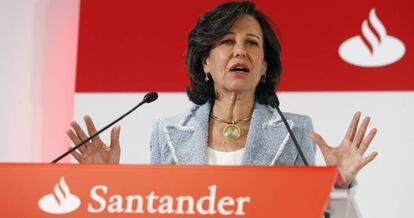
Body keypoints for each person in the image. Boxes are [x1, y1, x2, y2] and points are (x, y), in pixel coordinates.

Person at [67, 1, 377, 188]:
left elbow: (314, 212)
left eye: (252, 43)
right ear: (206, 61)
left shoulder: (294, 130)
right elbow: (155, 207)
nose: (240, 50)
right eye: (227, 41)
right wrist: (103, 177)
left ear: (265, 65)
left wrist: (340, 181)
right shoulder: (168, 132)